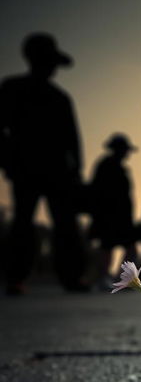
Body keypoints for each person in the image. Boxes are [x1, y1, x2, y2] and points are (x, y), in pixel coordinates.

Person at [0, 33, 87, 294]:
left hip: (56, 172)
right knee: (24, 223)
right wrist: (8, 161)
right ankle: (17, 277)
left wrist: (76, 172)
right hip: (27, 168)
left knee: (63, 224)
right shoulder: (13, 89)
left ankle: (70, 276)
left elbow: (73, 142)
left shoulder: (60, 98)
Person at [88, 133, 138, 290]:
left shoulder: (122, 168)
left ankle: (118, 279)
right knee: (107, 247)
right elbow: (98, 191)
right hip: (109, 215)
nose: (127, 153)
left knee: (128, 248)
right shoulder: (106, 165)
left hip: (123, 216)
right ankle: (104, 277)